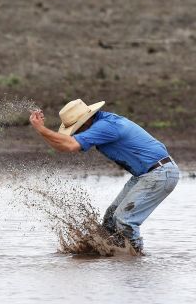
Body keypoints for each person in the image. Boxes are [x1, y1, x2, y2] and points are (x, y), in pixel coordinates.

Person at [29, 99, 180, 253]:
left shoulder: (105, 127)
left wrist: (42, 129)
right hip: (147, 174)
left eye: (76, 128)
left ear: (85, 121)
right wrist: (40, 130)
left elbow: (70, 144)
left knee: (124, 220)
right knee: (110, 219)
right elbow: (63, 147)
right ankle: (113, 253)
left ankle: (135, 258)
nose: (75, 132)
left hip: (159, 173)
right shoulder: (100, 123)